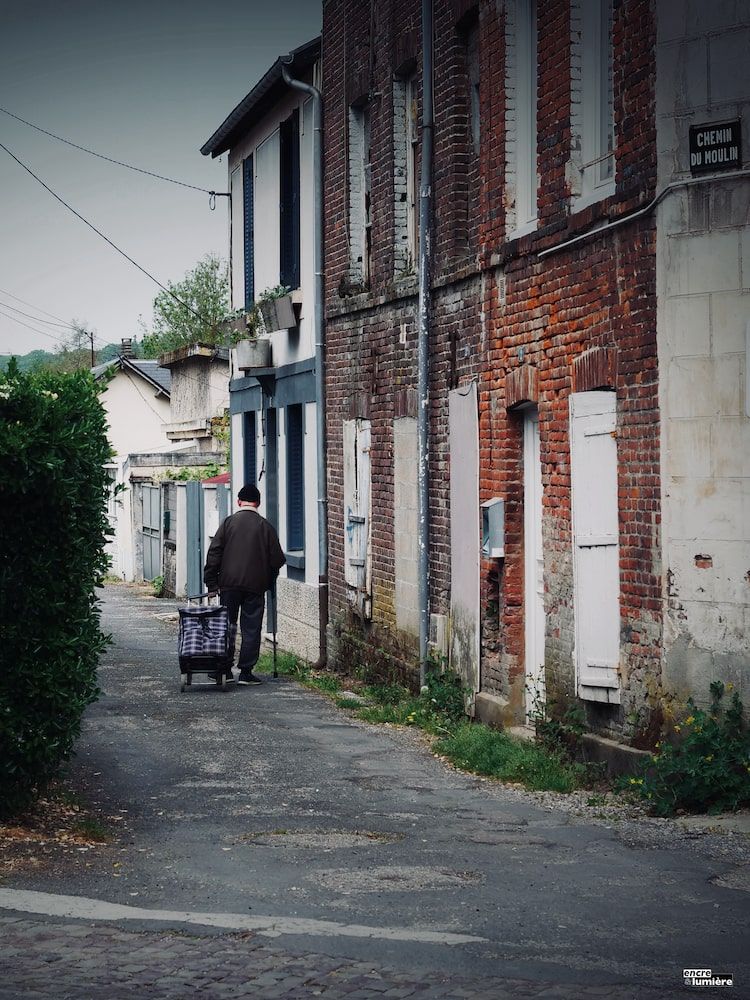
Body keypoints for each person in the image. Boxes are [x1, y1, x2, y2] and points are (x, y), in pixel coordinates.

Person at [204, 484, 286, 685]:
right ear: (258, 503)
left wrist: (212, 583)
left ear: (238, 501)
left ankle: (224, 669)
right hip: (255, 586)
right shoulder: (265, 526)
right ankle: (246, 672)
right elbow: (277, 559)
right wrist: (268, 579)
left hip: (228, 585)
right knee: (251, 628)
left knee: (227, 625)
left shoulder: (228, 523)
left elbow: (214, 553)